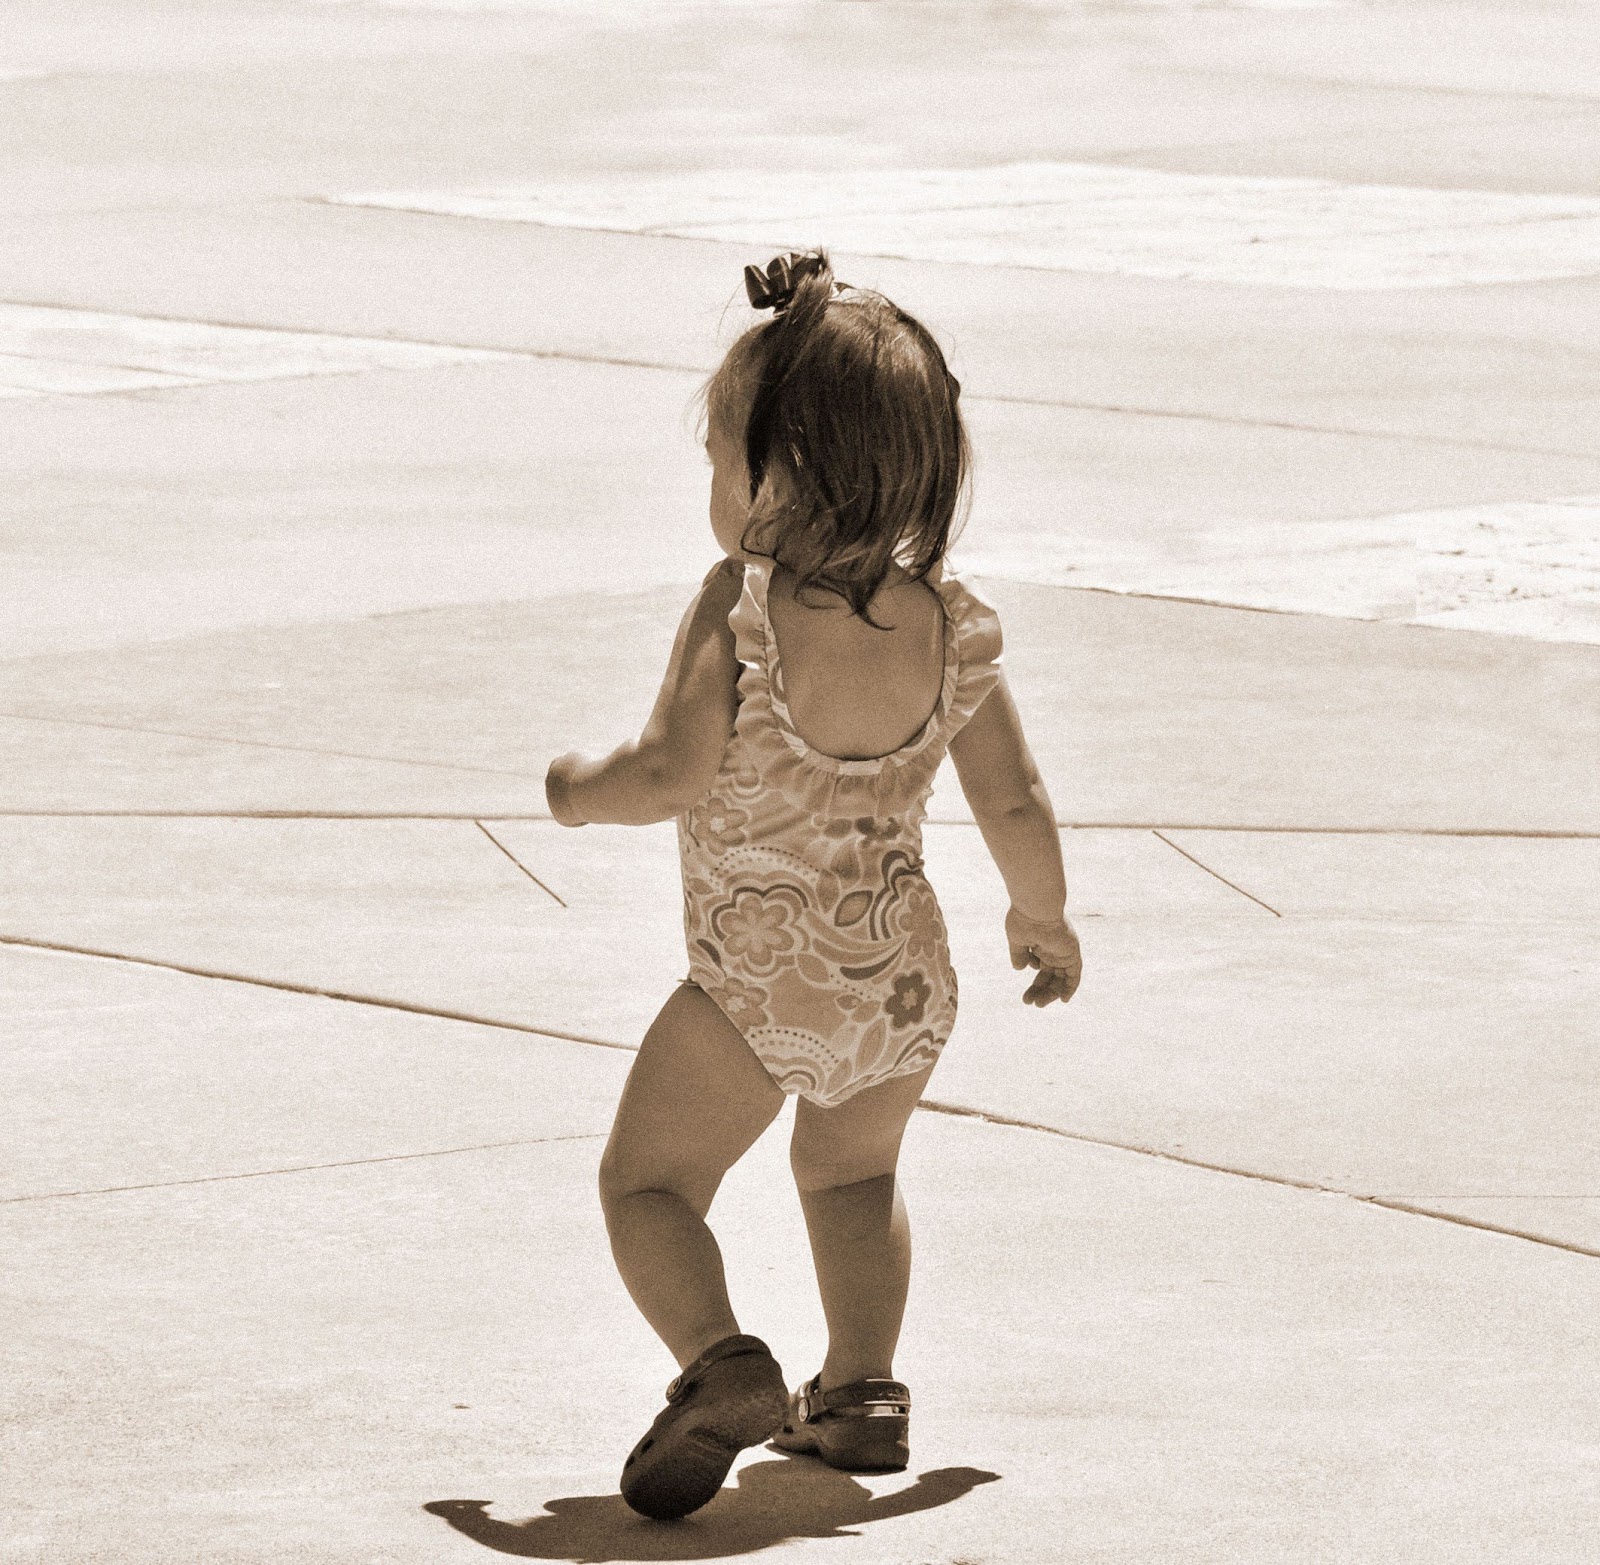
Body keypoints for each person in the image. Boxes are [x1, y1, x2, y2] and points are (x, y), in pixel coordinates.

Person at [544, 250, 1082, 1521]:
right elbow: (1013, 797)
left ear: (773, 478)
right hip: (899, 982)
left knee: (648, 1181)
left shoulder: (741, 611)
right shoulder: (951, 624)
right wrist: (1041, 914)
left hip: (757, 980)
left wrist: (577, 788)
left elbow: (670, 770)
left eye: (717, 462)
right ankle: (860, 1392)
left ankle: (720, 1359)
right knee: (851, 1177)